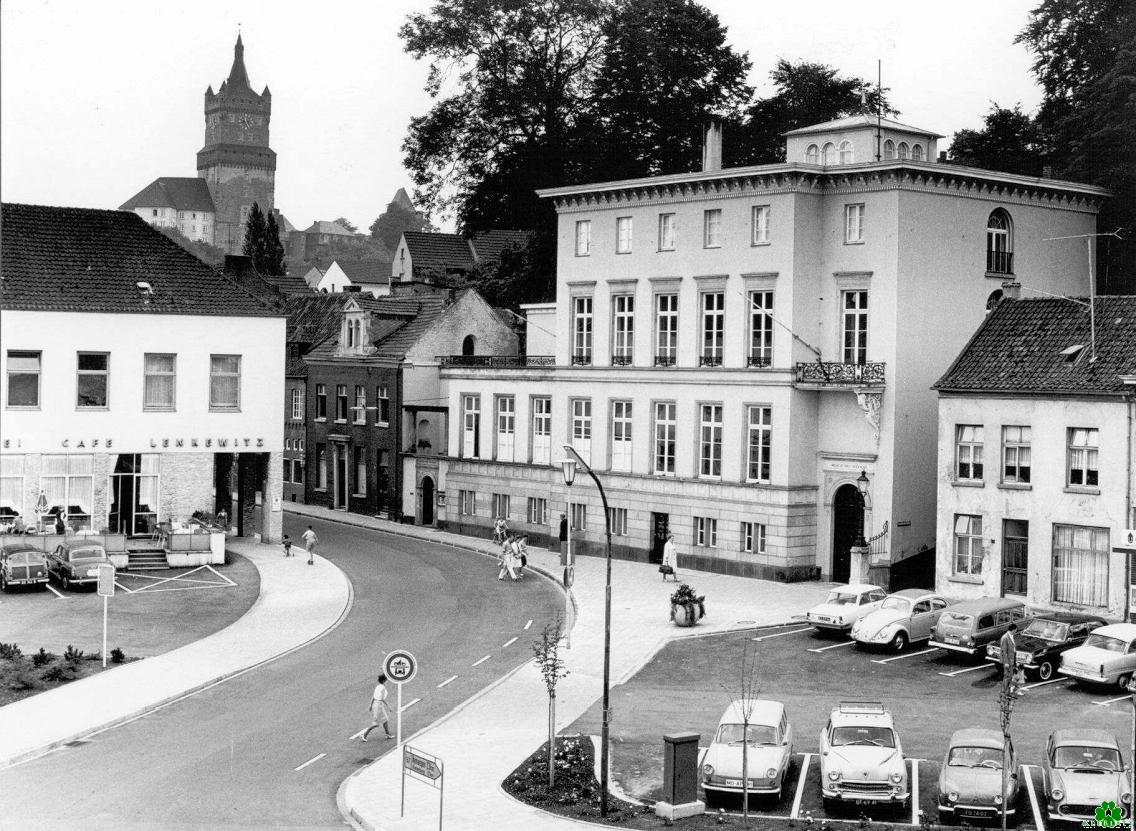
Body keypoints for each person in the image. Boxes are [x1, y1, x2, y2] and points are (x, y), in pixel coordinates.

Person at [360, 674, 394, 741]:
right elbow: (382, 699)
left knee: (385, 720)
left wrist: (370, 705)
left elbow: (373, 696)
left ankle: (388, 734)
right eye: (386, 681)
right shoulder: (383, 688)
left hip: (376, 704)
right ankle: (364, 735)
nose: (387, 682)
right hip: (379, 706)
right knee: (376, 723)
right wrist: (388, 706)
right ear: (384, 681)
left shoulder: (378, 687)